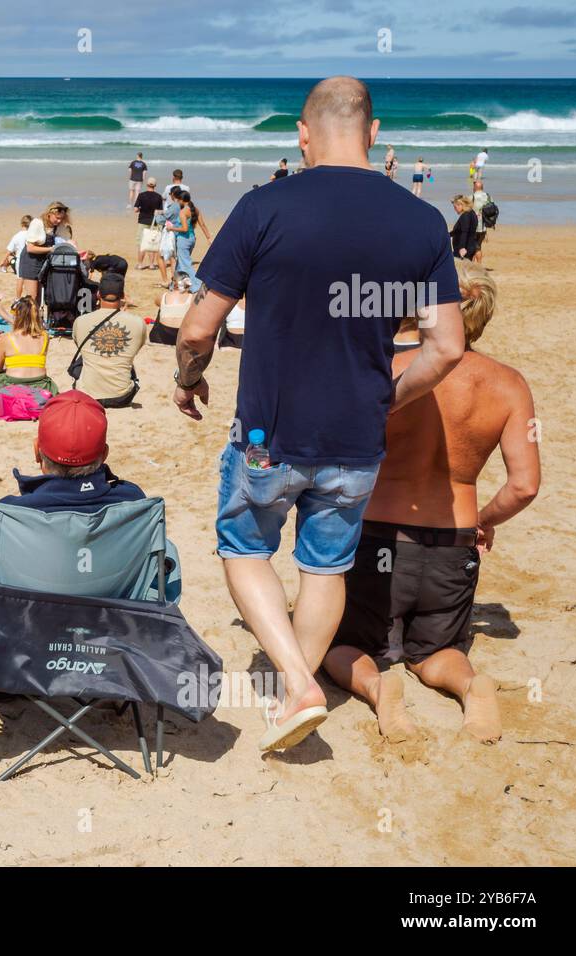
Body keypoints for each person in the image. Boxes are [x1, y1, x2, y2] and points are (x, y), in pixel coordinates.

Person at [172, 75, 466, 753]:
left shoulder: (264, 207)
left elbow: (196, 330)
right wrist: (388, 396)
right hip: (357, 439)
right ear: (374, 132)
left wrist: (188, 379)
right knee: (325, 569)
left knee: (244, 549)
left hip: (269, 435)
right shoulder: (421, 221)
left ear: (302, 135)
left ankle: (298, 684)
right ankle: (294, 693)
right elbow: (446, 347)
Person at [325, 260, 537, 745]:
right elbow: (524, 485)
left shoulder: (387, 369)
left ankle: (379, 686)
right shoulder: (509, 383)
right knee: (436, 652)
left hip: (378, 536)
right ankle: (469, 685)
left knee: (342, 645)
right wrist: (483, 519)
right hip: (453, 543)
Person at [0, 390, 145, 612]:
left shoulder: (9, 515)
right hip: (108, 615)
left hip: (22, 624)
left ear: (37, 452)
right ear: (105, 454)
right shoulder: (134, 502)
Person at [69, 272, 145, 407]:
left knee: (87, 355)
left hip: (87, 394)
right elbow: (137, 348)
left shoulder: (80, 321)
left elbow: (78, 343)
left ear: (98, 294)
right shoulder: (138, 323)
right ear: (122, 296)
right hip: (121, 396)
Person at [0, 295, 57, 398]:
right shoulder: (45, 337)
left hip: (14, 386)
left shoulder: (6, 338)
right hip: (41, 385)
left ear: (17, 316)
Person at [19, 201, 72, 305]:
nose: (59, 220)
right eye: (57, 218)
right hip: (31, 262)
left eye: (61, 218)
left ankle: (37, 319)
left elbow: (67, 240)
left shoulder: (58, 226)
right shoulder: (37, 223)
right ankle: (29, 320)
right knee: (32, 297)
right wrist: (50, 249)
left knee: (40, 298)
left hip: (44, 262)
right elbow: (30, 248)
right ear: (49, 214)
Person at [165, 190, 212, 292]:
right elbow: (202, 225)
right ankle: (174, 285)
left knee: (185, 264)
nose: (177, 202)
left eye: (178, 201)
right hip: (192, 239)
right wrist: (209, 237)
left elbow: (185, 229)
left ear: (182, 200)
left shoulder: (183, 212)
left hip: (183, 240)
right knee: (180, 263)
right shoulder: (195, 209)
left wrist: (171, 228)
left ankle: (198, 286)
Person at [150, 273, 192, 346]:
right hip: (182, 334)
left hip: (164, 333)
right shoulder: (192, 298)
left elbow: (156, 303)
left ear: (173, 283)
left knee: (161, 308)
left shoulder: (163, 295)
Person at [133, 177, 163, 274]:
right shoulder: (159, 197)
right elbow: (160, 211)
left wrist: (140, 208)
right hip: (154, 222)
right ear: (155, 185)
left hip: (143, 221)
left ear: (147, 184)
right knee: (152, 243)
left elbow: (135, 209)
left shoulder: (141, 195)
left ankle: (140, 264)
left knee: (142, 244)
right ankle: (151, 264)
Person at [450, 194, 479, 260]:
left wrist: (462, 248)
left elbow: (465, 232)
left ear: (461, 205)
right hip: (470, 246)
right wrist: (447, 235)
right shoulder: (472, 213)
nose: (454, 209)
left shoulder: (465, 216)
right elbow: (458, 230)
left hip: (465, 249)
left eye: (455, 207)